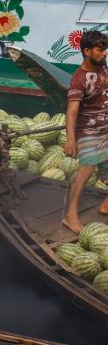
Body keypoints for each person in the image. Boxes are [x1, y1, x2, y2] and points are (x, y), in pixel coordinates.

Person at [64, 30, 108, 232]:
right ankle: (70, 215)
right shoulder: (79, 79)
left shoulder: (103, 68)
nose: (105, 53)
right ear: (87, 51)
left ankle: (106, 205)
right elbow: (72, 112)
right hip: (89, 132)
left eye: (106, 49)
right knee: (86, 171)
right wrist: (71, 140)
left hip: (106, 128)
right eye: (100, 50)